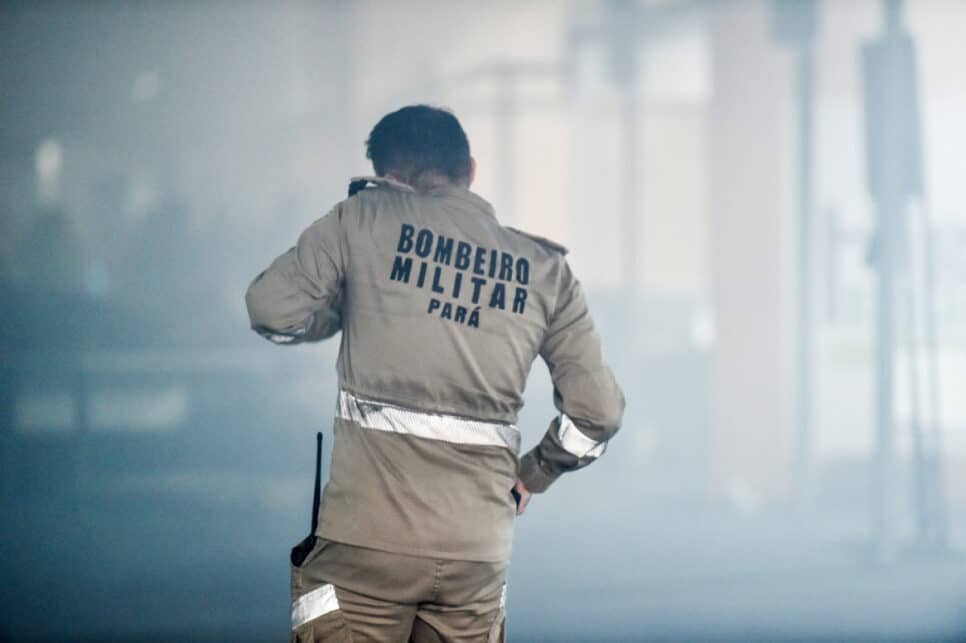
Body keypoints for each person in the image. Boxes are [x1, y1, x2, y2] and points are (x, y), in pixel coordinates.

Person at [245, 105, 624, 642]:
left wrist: (350, 297)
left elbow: (271, 310)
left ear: (389, 179)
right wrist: (534, 473)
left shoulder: (362, 219)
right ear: (470, 170)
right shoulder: (545, 270)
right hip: (476, 553)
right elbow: (598, 414)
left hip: (364, 544)